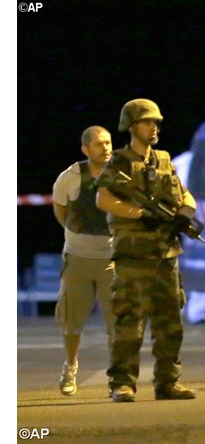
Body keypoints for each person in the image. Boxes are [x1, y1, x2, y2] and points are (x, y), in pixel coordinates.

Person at [96, 98, 197, 402]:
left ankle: (167, 382)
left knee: (170, 323)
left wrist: (185, 213)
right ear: (131, 126)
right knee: (129, 321)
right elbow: (103, 199)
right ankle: (122, 383)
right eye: (147, 122)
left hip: (165, 253)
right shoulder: (119, 162)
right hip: (133, 256)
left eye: (156, 122)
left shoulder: (164, 160)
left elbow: (185, 195)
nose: (154, 127)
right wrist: (139, 213)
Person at [53, 125, 115, 397]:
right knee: (71, 322)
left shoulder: (120, 174)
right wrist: (78, 239)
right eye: (99, 144)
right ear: (86, 149)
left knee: (118, 322)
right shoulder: (69, 177)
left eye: (109, 142)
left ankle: (118, 375)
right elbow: (61, 211)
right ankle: (70, 366)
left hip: (112, 261)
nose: (106, 148)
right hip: (78, 259)